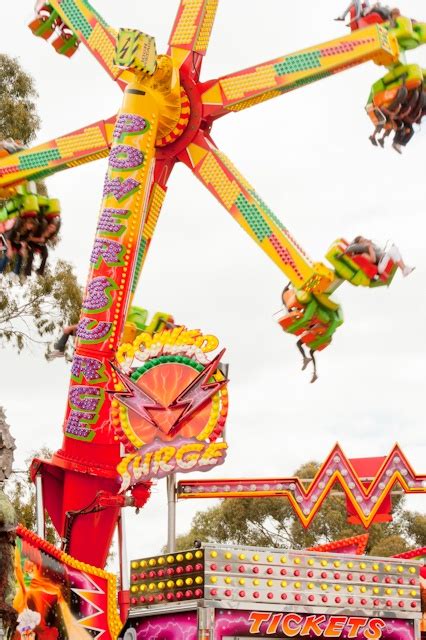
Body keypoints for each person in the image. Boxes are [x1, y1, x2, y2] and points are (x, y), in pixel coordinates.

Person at [342, 236, 415, 276]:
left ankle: (404, 269)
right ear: (359, 244)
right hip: (380, 268)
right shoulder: (364, 254)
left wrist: (371, 245)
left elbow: (380, 250)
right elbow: (373, 260)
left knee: (394, 248)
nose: (365, 240)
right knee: (392, 250)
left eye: (365, 239)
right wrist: (370, 247)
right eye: (362, 241)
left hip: (383, 260)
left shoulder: (370, 247)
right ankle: (404, 270)